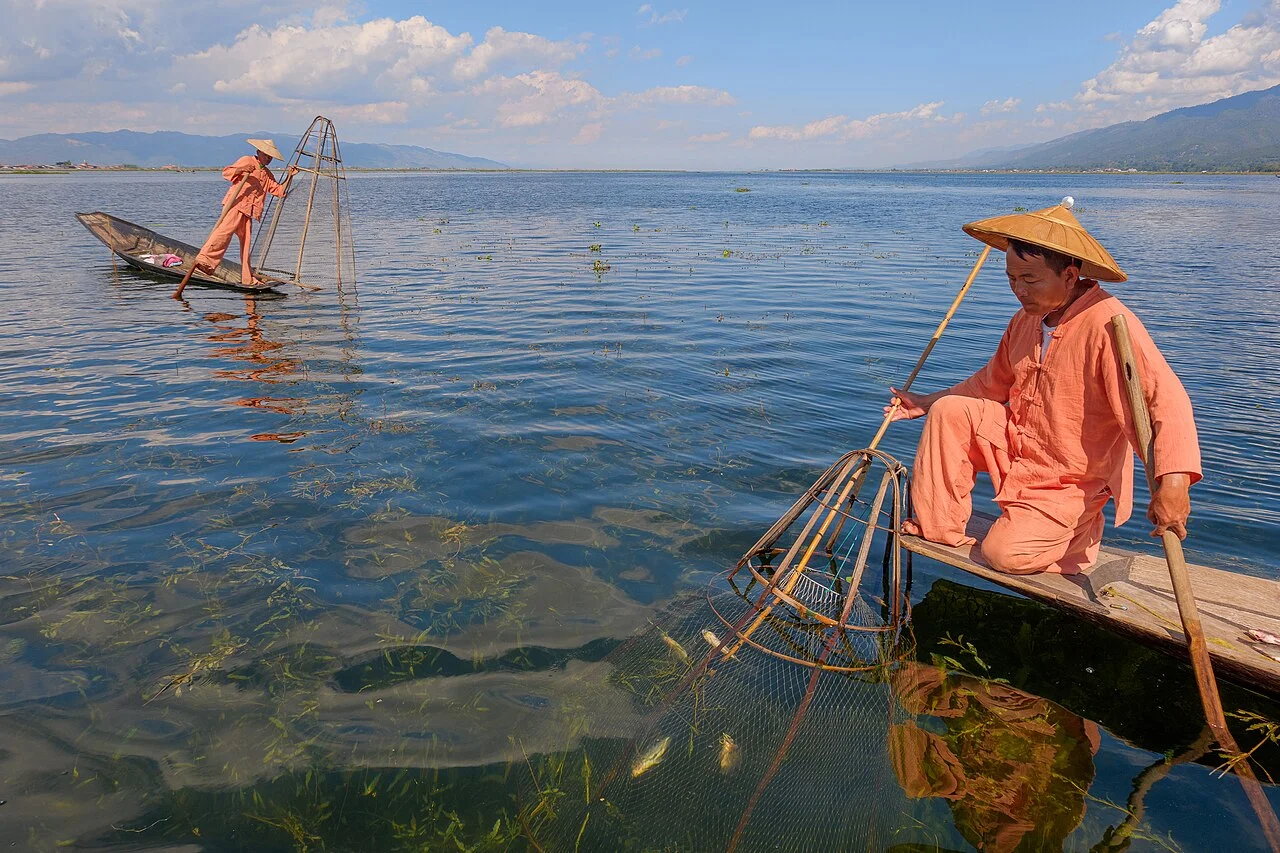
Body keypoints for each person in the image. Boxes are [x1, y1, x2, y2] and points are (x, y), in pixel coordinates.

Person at [886, 199, 1200, 575]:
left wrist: (1174, 485)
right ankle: (941, 529)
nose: (1018, 290)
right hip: (1021, 450)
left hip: (1071, 479)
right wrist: (925, 401)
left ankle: (1077, 539)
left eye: (1030, 280)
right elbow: (990, 384)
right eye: (1011, 279)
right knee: (950, 411)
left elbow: (1166, 402)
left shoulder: (1111, 324)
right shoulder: (1026, 320)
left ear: (1069, 276)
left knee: (1003, 555)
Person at [193, 138, 299, 286]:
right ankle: (204, 261)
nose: (268, 159)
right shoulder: (247, 161)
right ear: (258, 152)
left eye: (270, 157)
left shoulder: (267, 174)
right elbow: (227, 173)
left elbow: (279, 191)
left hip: (249, 211)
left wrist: (290, 176)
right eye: (266, 155)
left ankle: (247, 278)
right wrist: (242, 170)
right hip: (236, 204)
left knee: (246, 245)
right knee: (223, 234)